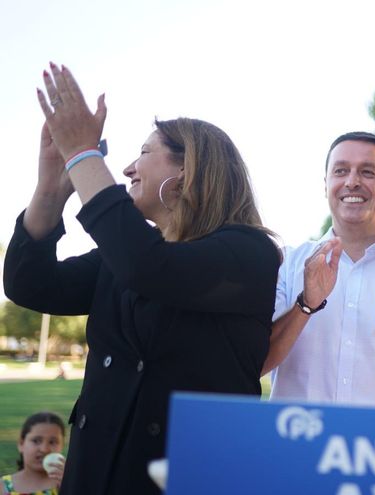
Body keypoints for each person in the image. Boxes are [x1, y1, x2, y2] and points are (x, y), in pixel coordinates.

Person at [3, 64, 279, 495]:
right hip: (95, 476)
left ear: (187, 169)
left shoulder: (248, 253)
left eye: (144, 153)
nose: (129, 168)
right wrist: (50, 191)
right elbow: (29, 284)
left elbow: (150, 270)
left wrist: (83, 154)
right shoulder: (121, 257)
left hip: (185, 477)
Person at [263, 132, 375, 407]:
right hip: (294, 442)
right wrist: (305, 305)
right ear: (326, 185)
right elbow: (256, 362)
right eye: (341, 171)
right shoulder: (284, 264)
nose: (352, 182)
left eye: (368, 172)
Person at [1, 412, 65, 495]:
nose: (44, 449)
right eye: (36, 441)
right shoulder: (3, 487)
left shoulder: (67, 484)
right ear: (21, 444)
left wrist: (69, 485)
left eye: (52, 442)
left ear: (62, 445)